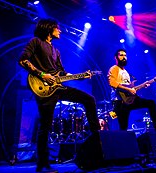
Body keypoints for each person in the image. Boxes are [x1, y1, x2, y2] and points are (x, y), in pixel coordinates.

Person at [18, 18, 100, 173]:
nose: (60, 31)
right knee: (46, 126)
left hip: (58, 87)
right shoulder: (36, 42)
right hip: (43, 88)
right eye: (57, 28)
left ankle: (98, 137)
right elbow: (22, 60)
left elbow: (62, 73)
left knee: (89, 99)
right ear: (49, 29)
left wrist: (79, 76)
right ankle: (42, 164)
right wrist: (42, 74)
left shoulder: (56, 51)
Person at [107, 49, 156, 131]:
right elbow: (112, 83)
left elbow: (130, 87)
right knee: (123, 127)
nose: (124, 57)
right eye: (121, 55)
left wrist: (143, 86)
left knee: (151, 103)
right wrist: (128, 89)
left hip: (129, 99)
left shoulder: (126, 72)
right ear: (116, 57)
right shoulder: (114, 69)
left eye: (125, 55)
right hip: (119, 101)